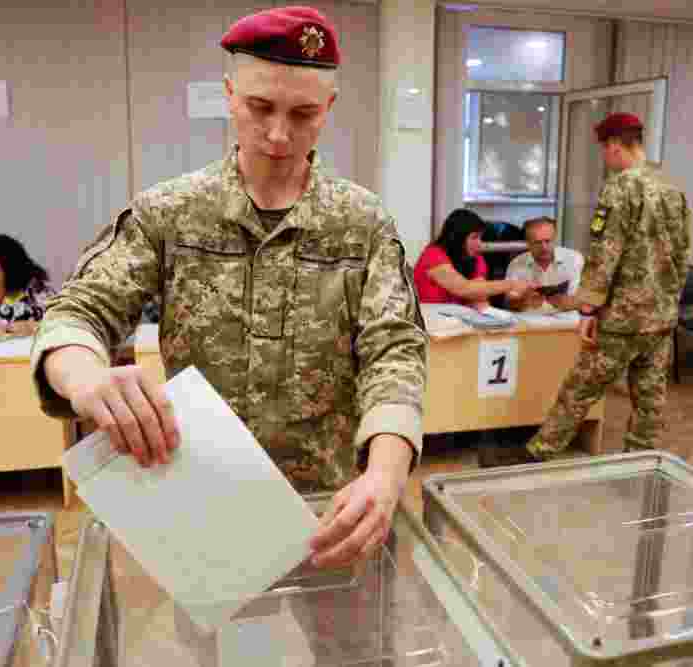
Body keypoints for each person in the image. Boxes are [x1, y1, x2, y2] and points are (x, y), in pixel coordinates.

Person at [31, 7, 427, 570]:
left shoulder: (361, 224)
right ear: (228, 94)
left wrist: (386, 473)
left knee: (347, 651)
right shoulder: (171, 213)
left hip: (331, 509)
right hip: (203, 498)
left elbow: (396, 350)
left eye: (304, 113)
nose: (277, 135)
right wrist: (86, 377)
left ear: (330, 108)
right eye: (258, 107)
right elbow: (80, 308)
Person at [488, 112, 692, 466]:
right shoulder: (671, 186)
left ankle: (538, 452)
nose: (605, 157)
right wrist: (670, 300)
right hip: (661, 316)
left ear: (614, 145)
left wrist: (588, 310)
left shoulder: (620, 188)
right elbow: (684, 251)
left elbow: (604, 256)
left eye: (604, 149)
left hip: (624, 319)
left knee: (581, 388)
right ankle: (641, 462)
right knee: (650, 396)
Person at [413, 208, 535, 307]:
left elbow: (479, 296)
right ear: (457, 238)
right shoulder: (433, 255)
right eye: (474, 237)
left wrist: (516, 297)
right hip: (429, 324)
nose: (480, 243)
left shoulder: (477, 259)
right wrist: (510, 284)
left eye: (480, 237)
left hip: (457, 324)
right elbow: (463, 288)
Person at [504, 216, 584, 313]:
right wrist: (523, 301)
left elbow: (588, 301)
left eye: (548, 241)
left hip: (567, 319)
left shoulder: (574, 259)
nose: (544, 247)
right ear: (528, 244)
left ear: (555, 239)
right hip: (529, 321)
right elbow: (508, 304)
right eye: (537, 243)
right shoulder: (516, 264)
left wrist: (569, 302)